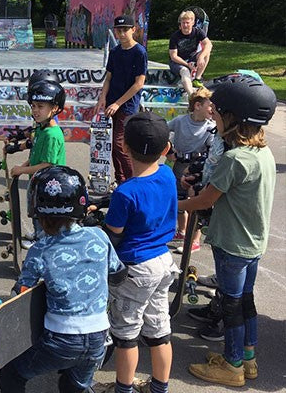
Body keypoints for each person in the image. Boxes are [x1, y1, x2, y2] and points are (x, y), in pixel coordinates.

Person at [178, 76, 276, 387]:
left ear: (233, 119)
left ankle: (232, 366)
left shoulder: (234, 159)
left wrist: (172, 204)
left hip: (232, 245)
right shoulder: (263, 154)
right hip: (252, 244)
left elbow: (206, 200)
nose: (214, 119)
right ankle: (247, 360)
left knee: (232, 306)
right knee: (245, 301)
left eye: (218, 115)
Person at [0, 165, 126, 393]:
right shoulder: (99, 235)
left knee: (11, 375)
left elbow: (21, 292)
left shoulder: (41, 248)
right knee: (75, 385)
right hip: (99, 338)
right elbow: (117, 274)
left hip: (61, 341)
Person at [101, 111, 178, 393]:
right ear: (166, 149)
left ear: (124, 147)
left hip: (136, 268)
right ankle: (159, 387)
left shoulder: (126, 192)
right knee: (159, 331)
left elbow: (114, 233)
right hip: (163, 262)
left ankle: (123, 389)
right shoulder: (168, 175)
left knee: (126, 335)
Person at [10, 71, 66, 248]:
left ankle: (41, 247)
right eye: (33, 106)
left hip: (49, 186)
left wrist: (21, 170)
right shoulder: (42, 129)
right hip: (38, 182)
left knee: (43, 218)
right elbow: (36, 155)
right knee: (35, 213)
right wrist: (24, 164)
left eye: (40, 106)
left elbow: (47, 164)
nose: (35, 110)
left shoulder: (52, 135)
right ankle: (38, 237)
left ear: (55, 108)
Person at [95, 15, 148, 186]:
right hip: (111, 103)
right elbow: (108, 78)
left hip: (127, 105)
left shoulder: (139, 52)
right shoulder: (115, 52)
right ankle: (120, 180)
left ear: (133, 30)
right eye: (119, 30)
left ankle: (133, 181)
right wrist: (102, 98)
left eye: (125, 30)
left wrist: (118, 103)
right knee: (111, 145)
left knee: (120, 143)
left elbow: (139, 83)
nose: (122, 33)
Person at [166, 87, 215, 251]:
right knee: (178, 200)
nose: (212, 109)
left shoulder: (210, 128)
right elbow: (162, 131)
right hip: (179, 166)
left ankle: (194, 240)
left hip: (197, 169)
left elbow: (213, 150)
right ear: (197, 106)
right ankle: (182, 231)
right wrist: (169, 150)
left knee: (195, 203)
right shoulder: (180, 121)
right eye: (210, 105)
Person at [168, 10, 213, 95]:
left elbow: (209, 44)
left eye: (187, 23)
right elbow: (173, 56)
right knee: (185, 71)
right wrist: (187, 64)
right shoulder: (175, 36)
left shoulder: (198, 31)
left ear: (193, 23)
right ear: (180, 24)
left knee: (206, 54)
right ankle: (191, 95)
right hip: (177, 62)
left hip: (192, 58)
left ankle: (197, 79)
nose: (185, 25)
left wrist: (200, 57)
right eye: (183, 23)